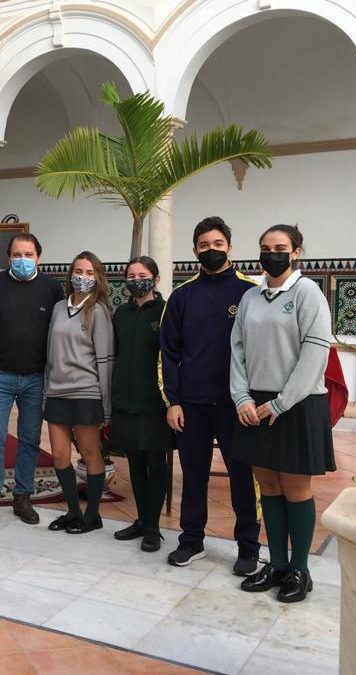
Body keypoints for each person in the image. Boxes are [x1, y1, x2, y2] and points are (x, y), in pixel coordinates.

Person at [231, 225, 334, 603]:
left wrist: (282, 402)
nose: (271, 254)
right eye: (265, 247)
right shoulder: (250, 297)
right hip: (254, 404)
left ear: (296, 252)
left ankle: (300, 570)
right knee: (269, 486)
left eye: (279, 247)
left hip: (297, 402)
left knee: (295, 488)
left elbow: (315, 353)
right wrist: (241, 396)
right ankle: (276, 565)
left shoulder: (308, 293)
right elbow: (237, 349)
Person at [159, 216, 261, 573]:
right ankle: (191, 541)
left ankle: (248, 547)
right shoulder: (182, 296)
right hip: (193, 405)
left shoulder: (250, 292)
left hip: (239, 405)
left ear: (229, 247)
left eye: (218, 244)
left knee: (243, 476)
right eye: (204, 245)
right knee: (193, 476)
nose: (211, 250)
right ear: (194, 250)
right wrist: (173, 401)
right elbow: (168, 353)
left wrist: (254, 399)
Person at [0, 233, 65, 527]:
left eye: (28, 255)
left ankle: (23, 497)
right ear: (8, 257)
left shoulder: (52, 289)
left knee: (29, 439)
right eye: (17, 255)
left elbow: (60, 332)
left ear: (39, 257)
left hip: (36, 377)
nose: (22, 260)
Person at [44, 251, 114, 534]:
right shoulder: (58, 308)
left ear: (97, 278)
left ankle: (92, 515)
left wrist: (106, 406)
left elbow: (105, 360)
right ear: (70, 274)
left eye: (88, 273)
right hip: (57, 392)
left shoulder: (98, 311)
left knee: (89, 453)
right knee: (59, 455)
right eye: (78, 271)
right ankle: (73, 511)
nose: (82, 277)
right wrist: (46, 390)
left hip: (86, 392)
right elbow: (50, 352)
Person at [110, 256, 172, 552]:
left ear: (156, 279)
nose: (137, 281)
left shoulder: (166, 312)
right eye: (131, 276)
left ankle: (153, 527)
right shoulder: (121, 313)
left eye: (143, 275)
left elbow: (173, 356)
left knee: (155, 463)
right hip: (125, 400)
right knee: (134, 462)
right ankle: (142, 518)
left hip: (155, 403)